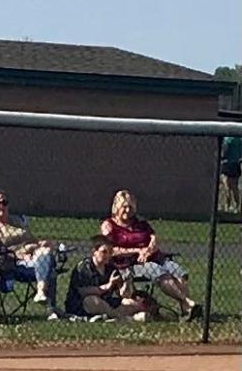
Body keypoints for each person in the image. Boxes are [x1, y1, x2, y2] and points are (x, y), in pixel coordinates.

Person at [100, 190, 199, 321]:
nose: (128, 210)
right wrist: (137, 251)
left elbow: (153, 239)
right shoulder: (109, 225)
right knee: (157, 271)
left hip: (153, 256)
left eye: (130, 207)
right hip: (131, 263)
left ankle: (186, 311)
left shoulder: (140, 223)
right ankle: (187, 301)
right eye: (124, 206)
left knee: (179, 272)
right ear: (116, 206)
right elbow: (111, 250)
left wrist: (148, 251)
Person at [0, 190, 59, 318]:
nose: (1, 206)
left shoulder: (17, 221)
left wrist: (41, 244)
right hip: (12, 263)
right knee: (50, 268)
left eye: (4, 203)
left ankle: (42, 294)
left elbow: (33, 240)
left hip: (33, 259)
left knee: (46, 253)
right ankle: (51, 308)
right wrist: (19, 254)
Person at [65, 235, 149, 322]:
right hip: (82, 304)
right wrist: (109, 285)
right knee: (92, 301)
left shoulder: (111, 268)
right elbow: (83, 292)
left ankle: (111, 317)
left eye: (110, 252)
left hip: (106, 302)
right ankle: (124, 318)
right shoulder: (84, 267)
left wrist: (127, 282)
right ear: (94, 251)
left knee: (131, 303)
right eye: (104, 252)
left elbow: (123, 295)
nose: (108, 255)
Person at [220, 135, 241, 213]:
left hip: (229, 164)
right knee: (232, 187)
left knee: (228, 187)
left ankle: (229, 206)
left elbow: (223, 152)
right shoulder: (239, 139)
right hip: (234, 164)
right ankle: (234, 206)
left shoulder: (227, 139)